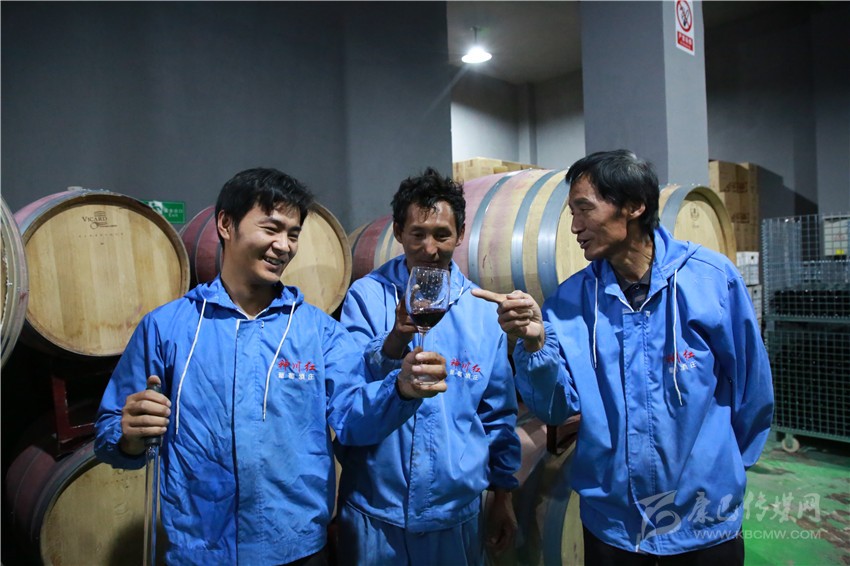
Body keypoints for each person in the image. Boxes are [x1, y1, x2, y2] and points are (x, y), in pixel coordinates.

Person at [94, 168, 447, 565]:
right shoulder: (167, 328)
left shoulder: (318, 331)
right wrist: (130, 436)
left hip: (297, 548)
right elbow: (111, 432)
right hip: (201, 551)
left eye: (293, 234)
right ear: (226, 224)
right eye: (272, 229)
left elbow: (353, 420)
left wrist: (401, 390)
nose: (284, 246)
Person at [473, 150, 774, 564]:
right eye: (571, 213)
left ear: (634, 206)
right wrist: (536, 345)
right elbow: (554, 409)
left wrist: (723, 472)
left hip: (704, 523)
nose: (574, 226)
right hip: (614, 529)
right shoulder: (570, 303)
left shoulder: (711, 280)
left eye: (585, 209)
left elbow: (752, 392)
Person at [336, 167, 521, 565]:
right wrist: (393, 341)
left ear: (460, 234)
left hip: (455, 516)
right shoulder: (366, 297)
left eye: (442, 234)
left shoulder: (480, 309)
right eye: (417, 234)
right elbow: (347, 403)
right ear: (398, 232)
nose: (430, 248)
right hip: (376, 513)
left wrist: (502, 494)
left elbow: (497, 414)